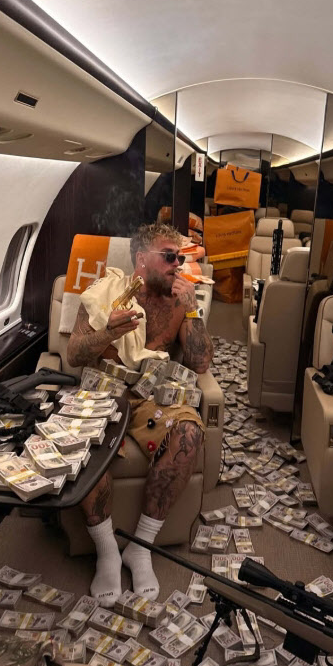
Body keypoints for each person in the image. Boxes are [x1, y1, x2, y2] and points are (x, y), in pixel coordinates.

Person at [66, 223, 213, 606]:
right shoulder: (105, 293)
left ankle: (141, 546)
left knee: (189, 432)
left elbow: (200, 364)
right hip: (105, 387)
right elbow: (75, 355)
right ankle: (107, 552)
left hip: (154, 391)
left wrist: (193, 308)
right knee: (83, 441)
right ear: (142, 259)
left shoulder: (180, 301)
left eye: (180, 258)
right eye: (169, 256)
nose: (177, 265)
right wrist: (108, 333)